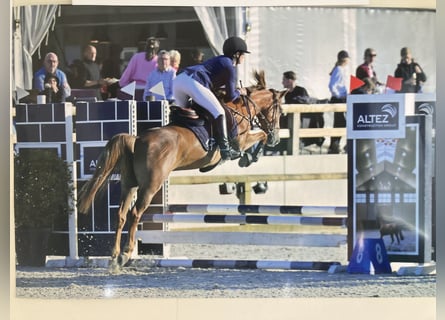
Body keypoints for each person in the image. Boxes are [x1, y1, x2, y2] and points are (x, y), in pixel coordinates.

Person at [172, 36, 249, 161]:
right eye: (243, 54)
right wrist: (240, 92)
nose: (244, 57)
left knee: (184, 116)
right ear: (237, 54)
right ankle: (225, 150)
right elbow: (231, 96)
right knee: (219, 112)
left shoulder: (220, 60)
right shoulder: (230, 66)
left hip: (179, 80)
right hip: (193, 82)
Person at [281, 70, 324, 150]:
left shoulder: (301, 90)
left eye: (284, 80)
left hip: (304, 118)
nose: (282, 82)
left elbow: (305, 103)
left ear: (289, 80)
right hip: (292, 119)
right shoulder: (286, 94)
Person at [328, 50, 350, 154]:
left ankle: (335, 144)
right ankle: (334, 145)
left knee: (341, 122)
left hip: (343, 98)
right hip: (339, 99)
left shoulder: (341, 69)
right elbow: (332, 85)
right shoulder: (339, 70)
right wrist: (339, 95)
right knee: (339, 122)